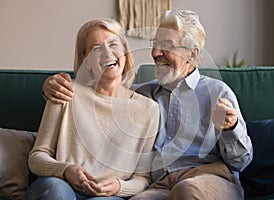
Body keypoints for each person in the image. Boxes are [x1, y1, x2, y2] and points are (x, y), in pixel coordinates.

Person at [42, 10, 253, 200]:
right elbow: (103, 92)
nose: (156, 53)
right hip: (160, 184)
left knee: (186, 191)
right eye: (155, 44)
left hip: (208, 177)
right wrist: (49, 88)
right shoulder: (143, 96)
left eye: (167, 46)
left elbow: (240, 162)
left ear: (193, 54)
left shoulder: (218, 93)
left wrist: (230, 128)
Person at [25, 18, 160, 200]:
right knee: (56, 191)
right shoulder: (66, 91)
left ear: (125, 52)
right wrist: (65, 170)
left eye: (113, 44)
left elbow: (143, 177)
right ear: (85, 60)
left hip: (108, 196)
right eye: (96, 48)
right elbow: (37, 156)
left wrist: (119, 187)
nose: (107, 53)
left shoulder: (148, 109)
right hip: (62, 185)